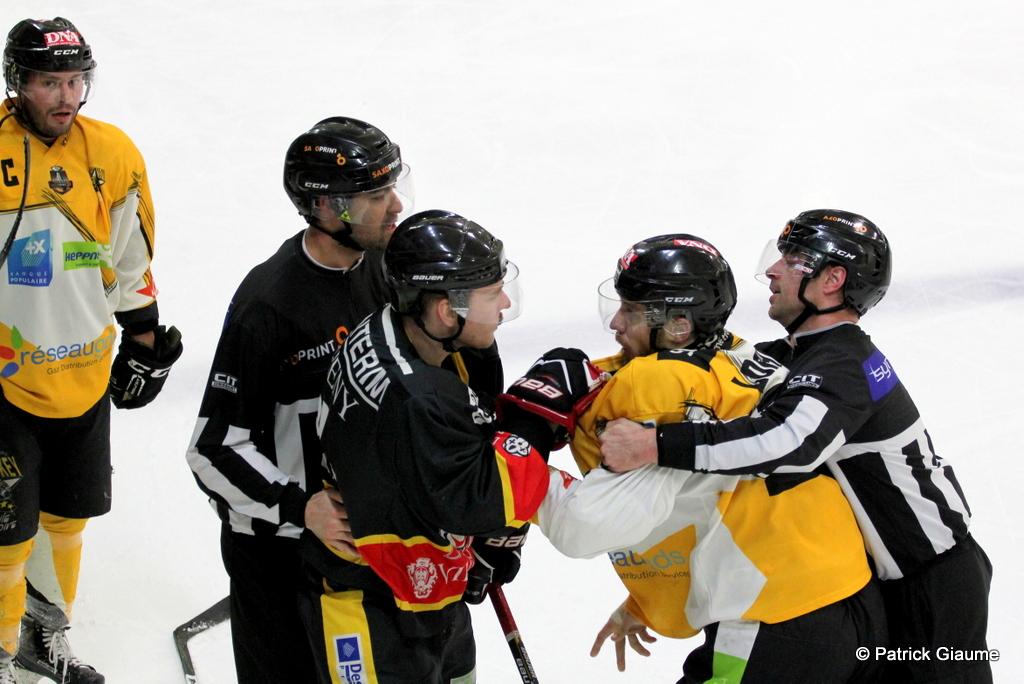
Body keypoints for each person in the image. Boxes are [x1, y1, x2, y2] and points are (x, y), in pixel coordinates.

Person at [600, 211, 992, 683]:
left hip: (935, 583)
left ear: (832, 280)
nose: (772, 271)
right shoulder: (794, 354)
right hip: (882, 581)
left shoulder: (845, 363)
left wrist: (656, 444)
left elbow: (787, 442)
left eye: (791, 261)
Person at [529, 234, 885, 682]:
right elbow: (710, 494)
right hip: (843, 594)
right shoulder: (733, 352)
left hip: (775, 617)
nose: (616, 323)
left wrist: (514, 461)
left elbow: (584, 528)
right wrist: (648, 600)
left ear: (678, 326)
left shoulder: (657, 383)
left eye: (631, 311)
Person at [302, 209, 602, 683]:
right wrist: (536, 419)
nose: (505, 303)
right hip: (373, 602)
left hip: (431, 586)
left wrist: (480, 547)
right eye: (492, 292)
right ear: (446, 310)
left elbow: (464, 455)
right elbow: (488, 499)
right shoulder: (417, 397)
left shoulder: (403, 331)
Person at [185, 117, 413, 684]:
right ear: (328, 207)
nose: (396, 206)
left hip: (355, 544)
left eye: (393, 187)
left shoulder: (384, 270)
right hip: (276, 558)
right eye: (376, 196)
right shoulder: (268, 305)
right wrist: (300, 507)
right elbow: (213, 450)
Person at [0, 17, 182, 684]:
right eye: (51, 82)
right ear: (18, 82)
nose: (67, 96)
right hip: (6, 378)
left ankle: (41, 640)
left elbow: (129, 258)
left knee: (67, 519)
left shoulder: (113, 153)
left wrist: (144, 337)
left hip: (83, 373)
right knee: (6, 535)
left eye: (76, 80)